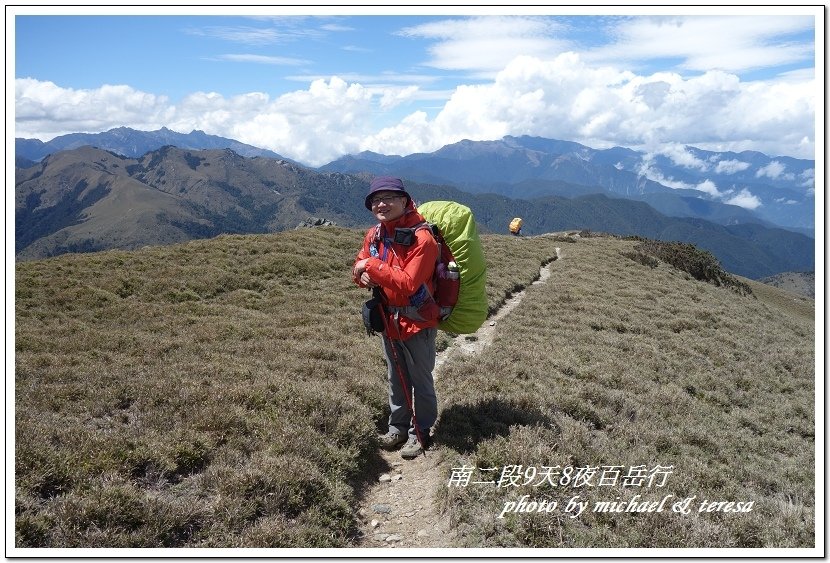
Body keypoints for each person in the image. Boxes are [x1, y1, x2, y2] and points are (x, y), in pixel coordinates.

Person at [352, 176, 439, 460]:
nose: (382, 204)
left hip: (417, 320)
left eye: (389, 197)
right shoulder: (375, 234)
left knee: (420, 379)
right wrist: (362, 274)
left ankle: (420, 432)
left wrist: (370, 266)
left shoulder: (422, 238)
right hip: (388, 318)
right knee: (396, 377)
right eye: (376, 200)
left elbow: (407, 283)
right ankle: (397, 428)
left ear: (405, 201)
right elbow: (359, 265)